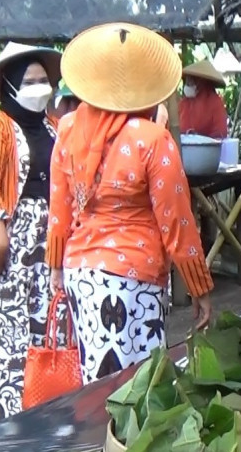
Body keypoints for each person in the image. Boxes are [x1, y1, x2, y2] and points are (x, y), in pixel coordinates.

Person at [48, 22, 214, 384]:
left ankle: (98, 439)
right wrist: (199, 285)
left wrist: (55, 267)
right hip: (134, 277)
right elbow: (177, 220)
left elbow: (59, 206)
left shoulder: (68, 129)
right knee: (139, 385)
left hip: (81, 273)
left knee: (96, 377)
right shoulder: (153, 139)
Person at [0, 43, 64, 426]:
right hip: (11, 234)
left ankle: (41, 406)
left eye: (44, 80)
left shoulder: (53, 126)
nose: (39, 87)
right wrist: (0, 240)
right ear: (10, 86)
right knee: (7, 324)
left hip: (50, 237)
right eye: (30, 81)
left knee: (46, 320)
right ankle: (3, 417)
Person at [177, 59, 228, 139]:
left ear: (201, 82)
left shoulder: (215, 103)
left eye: (191, 80)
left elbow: (220, 133)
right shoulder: (184, 103)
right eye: (187, 80)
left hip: (207, 149)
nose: (188, 84)